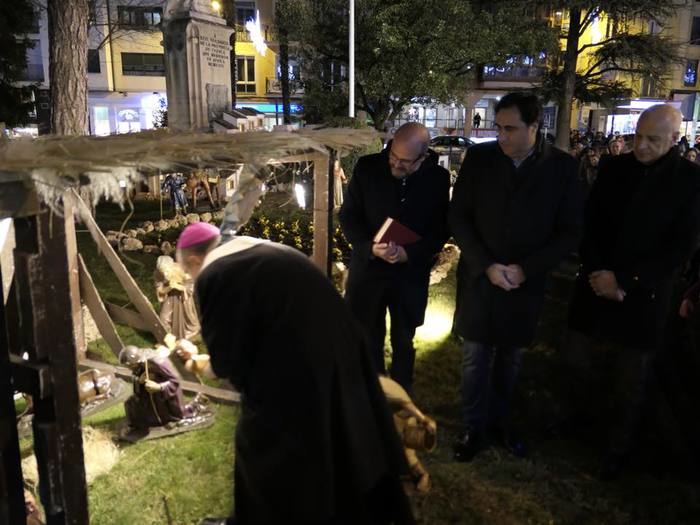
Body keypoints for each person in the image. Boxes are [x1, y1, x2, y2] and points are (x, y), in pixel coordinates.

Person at [176, 223, 415, 525]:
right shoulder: (262, 250)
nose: (192, 279)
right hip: (343, 355)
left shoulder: (215, 274)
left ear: (195, 261)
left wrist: (197, 363)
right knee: (347, 443)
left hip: (299, 373)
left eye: (189, 272)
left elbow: (228, 364)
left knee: (264, 450)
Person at [564, 104, 700, 480]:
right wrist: (596, 271)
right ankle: (579, 424)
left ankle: (617, 448)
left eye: (652, 140)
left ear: (674, 139)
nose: (640, 146)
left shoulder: (690, 181)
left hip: (642, 296)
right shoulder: (613, 168)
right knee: (578, 359)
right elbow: (589, 224)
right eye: (638, 136)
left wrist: (624, 280)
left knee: (630, 378)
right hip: (595, 283)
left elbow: (679, 247)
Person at [449, 91, 583, 462]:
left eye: (510, 128)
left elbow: (569, 231)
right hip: (481, 277)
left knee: (511, 358)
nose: (501, 136)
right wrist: (486, 265)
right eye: (498, 127)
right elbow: (459, 217)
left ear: (535, 127)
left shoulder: (562, 168)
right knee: (475, 356)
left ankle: (501, 422)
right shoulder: (480, 159)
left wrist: (528, 268)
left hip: (526, 282)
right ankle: (473, 426)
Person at [339, 122, 450, 393]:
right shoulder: (368, 168)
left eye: (405, 162)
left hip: (408, 275)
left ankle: (401, 394)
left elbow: (441, 227)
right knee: (368, 337)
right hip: (370, 271)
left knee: (404, 339)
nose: (396, 166)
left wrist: (409, 253)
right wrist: (367, 246)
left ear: (423, 157)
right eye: (393, 157)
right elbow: (348, 215)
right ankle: (374, 391)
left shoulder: (437, 179)